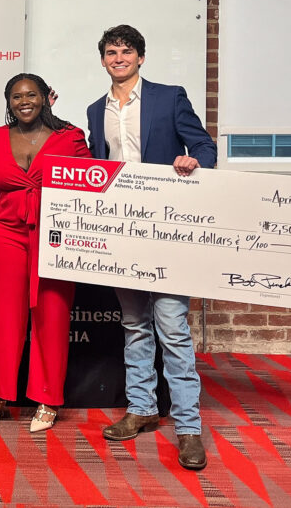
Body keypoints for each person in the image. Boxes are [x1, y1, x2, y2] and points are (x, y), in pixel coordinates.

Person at [86, 24, 216, 471]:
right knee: (135, 323)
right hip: (122, 233)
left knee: (172, 327)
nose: (118, 58)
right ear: (103, 60)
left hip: (167, 228)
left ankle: (188, 428)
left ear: (141, 57)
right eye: (110, 52)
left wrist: (193, 159)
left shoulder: (169, 96)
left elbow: (202, 143)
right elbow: (94, 165)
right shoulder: (94, 109)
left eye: (125, 51)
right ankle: (141, 409)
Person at [0, 73, 90, 433]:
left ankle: (48, 398)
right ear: (8, 102)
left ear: (45, 98)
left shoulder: (69, 137)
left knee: (51, 317)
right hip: (6, 234)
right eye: (16, 97)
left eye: (32, 95)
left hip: (54, 237)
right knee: (5, 319)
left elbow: (92, 180)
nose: (24, 101)